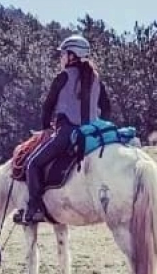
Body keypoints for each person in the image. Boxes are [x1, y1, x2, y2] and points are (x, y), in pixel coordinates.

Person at [16, 34, 117, 226]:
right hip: (92, 134)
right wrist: (97, 124)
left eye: (63, 54)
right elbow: (107, 107)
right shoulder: (96, 79)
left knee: (32, 164)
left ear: (72, 56)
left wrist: (46, 128)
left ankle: (35, 208)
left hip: (66, 133)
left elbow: (48, 105)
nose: (61, 58)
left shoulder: (63, 77)